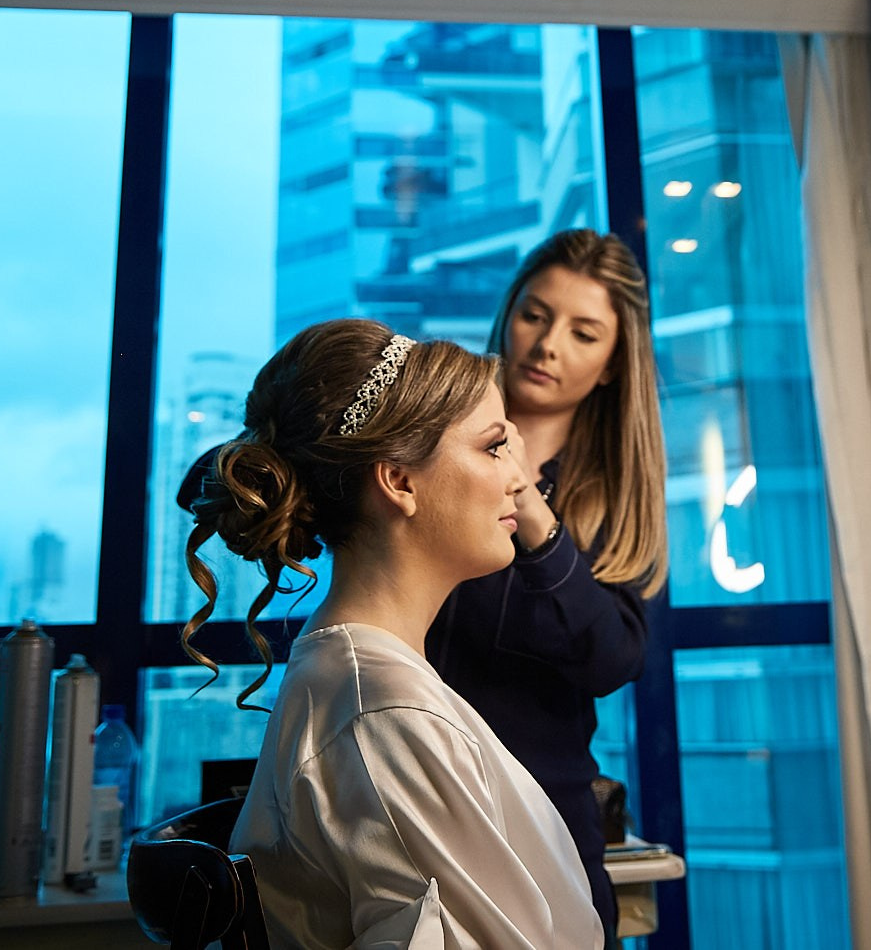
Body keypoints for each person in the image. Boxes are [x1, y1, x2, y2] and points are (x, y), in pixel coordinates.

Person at [182, 319, 602, 950]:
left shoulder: (367, 682)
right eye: (492, 448)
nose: (520, 479)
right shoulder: (385, 714)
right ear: (400, 481)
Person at [424, 229, 668, 942]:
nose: (549, 343)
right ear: (508, 314)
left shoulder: (615, 493)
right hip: (406, 792)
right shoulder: (425, 431)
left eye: (583, 331)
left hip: (542, 817)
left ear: (614, 363)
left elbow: (614, 659)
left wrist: (528, 504)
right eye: (536, 313)